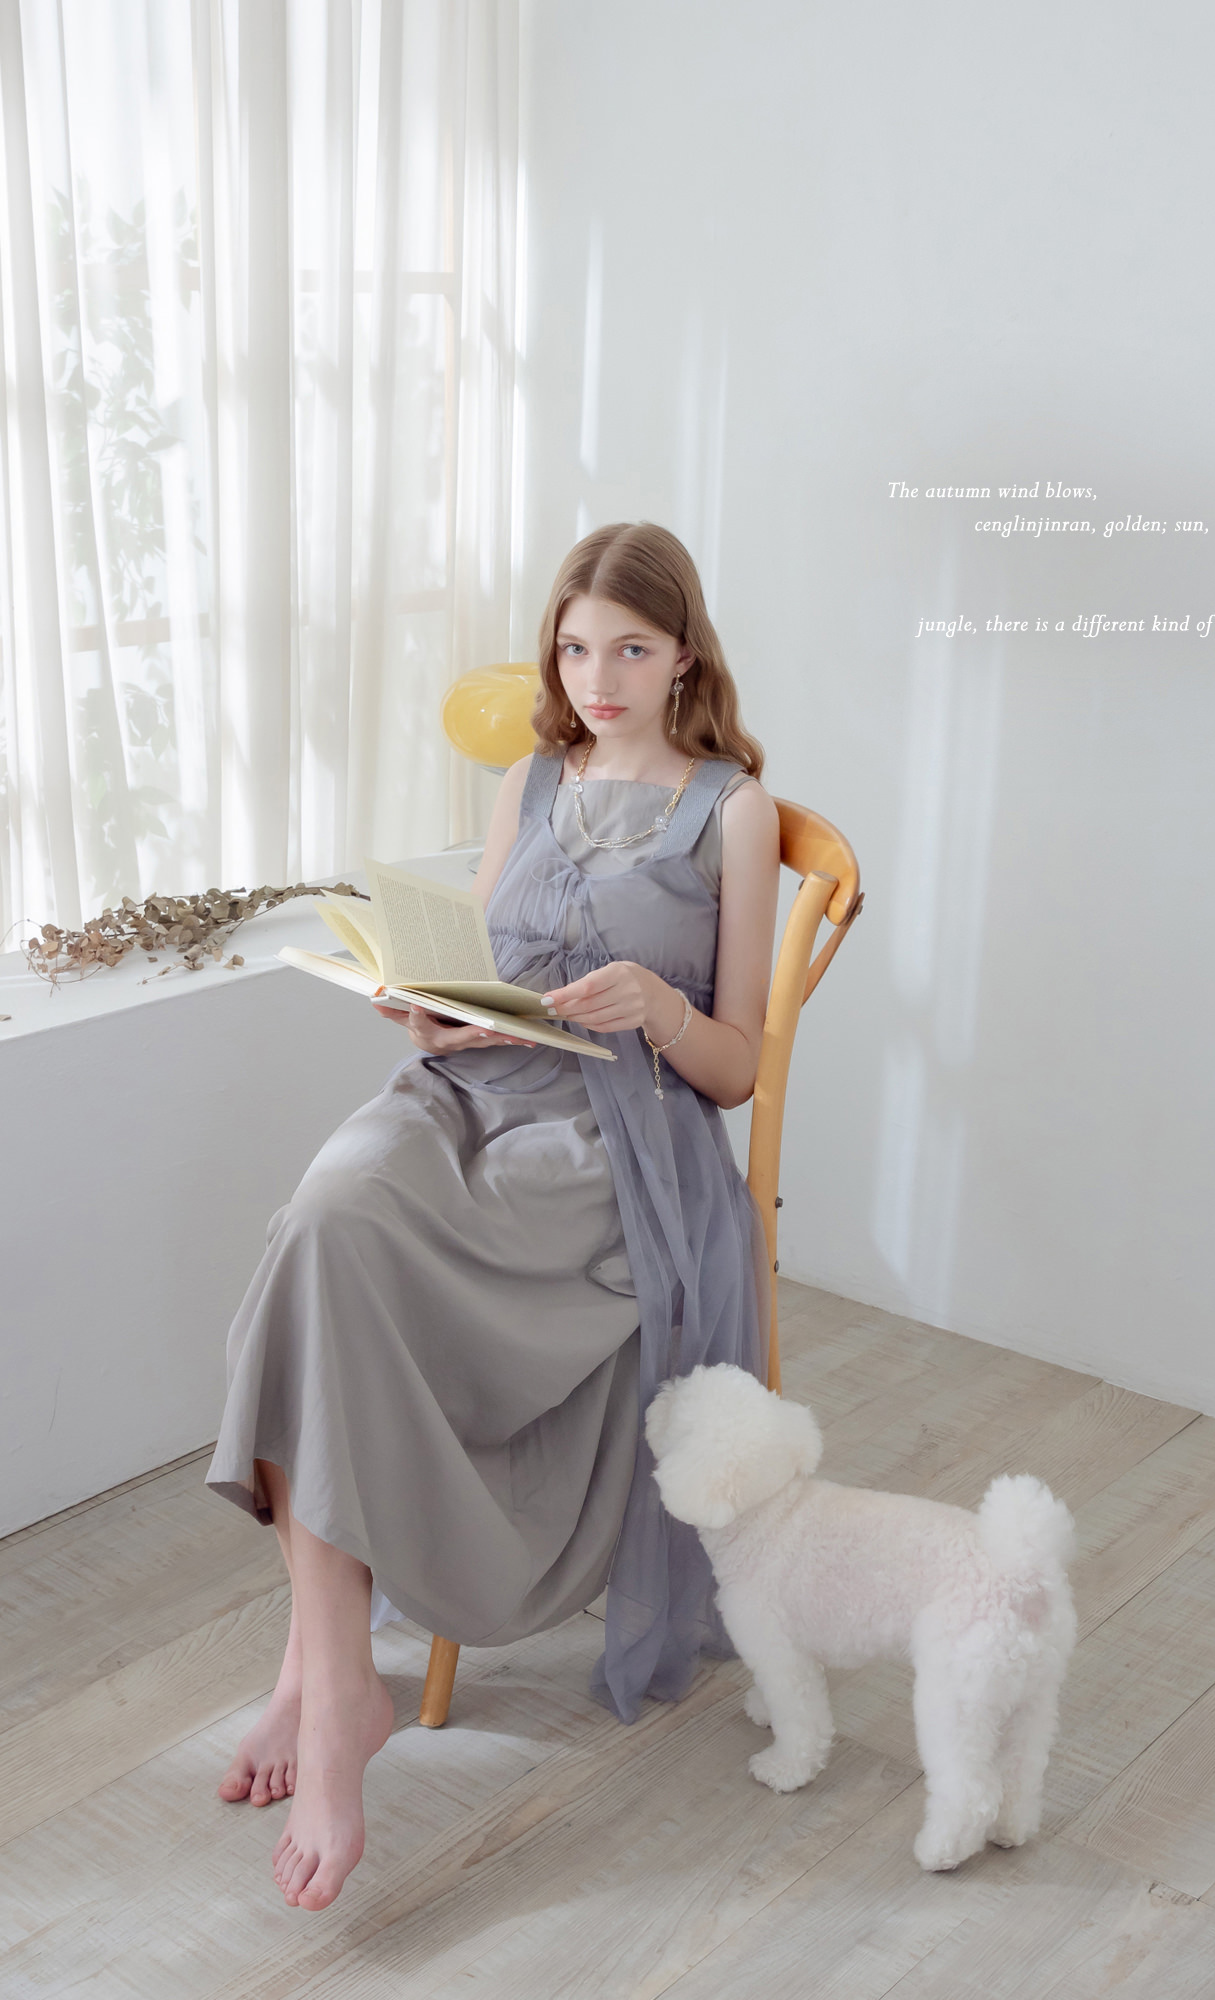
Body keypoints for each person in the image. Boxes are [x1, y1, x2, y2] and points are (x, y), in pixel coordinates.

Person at [204, 521, 782, 1913]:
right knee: (323, 1220)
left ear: (683, 655)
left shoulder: (734, 812)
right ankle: (331, 1674)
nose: (598, 678)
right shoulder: (530, 776)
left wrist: (663, 1005)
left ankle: (320, 1688)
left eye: (630, 650)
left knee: (335, 1270)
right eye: (576, 649)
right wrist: (428, 1010)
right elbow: (472, 966)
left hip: (616, 1141)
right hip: (463, 1096)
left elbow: (737, 1070)